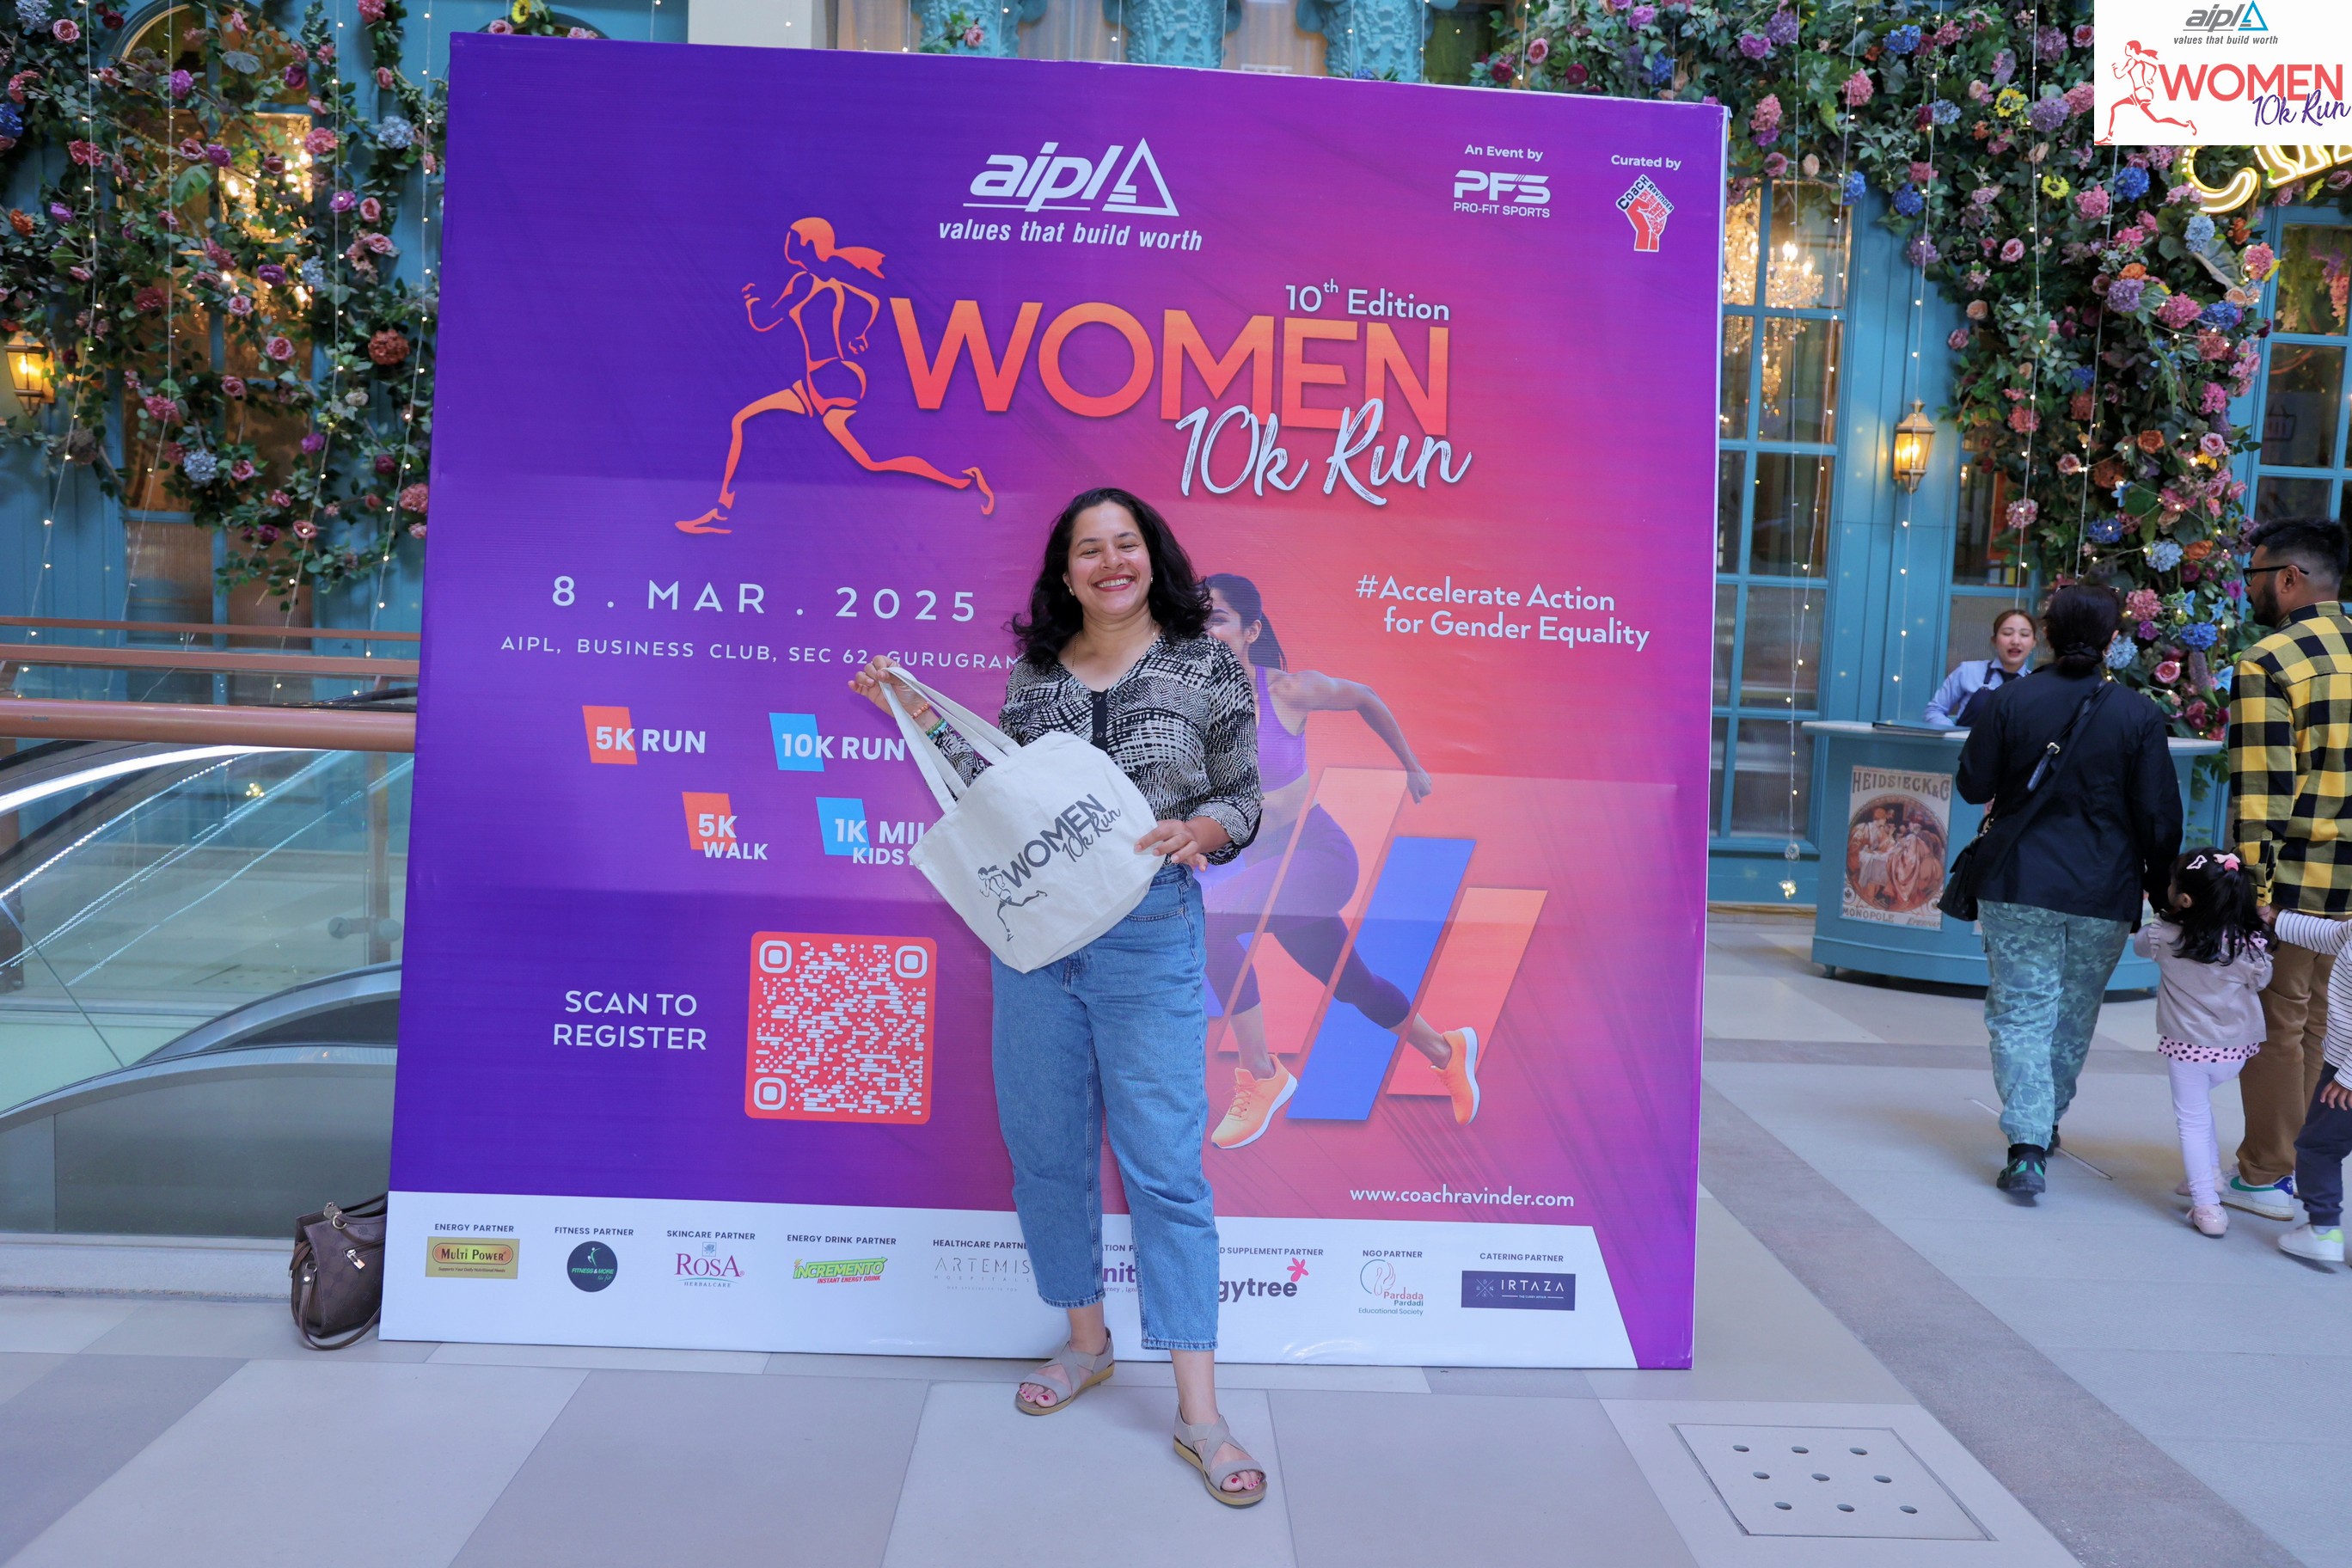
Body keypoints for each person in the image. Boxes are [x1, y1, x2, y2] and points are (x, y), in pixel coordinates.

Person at [849, 487, 1269, 1506]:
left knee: (1165, 1170)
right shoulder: (1034, 674)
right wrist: (914, 709)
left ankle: (1201, 1415)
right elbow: (997, 801)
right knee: (1046, 1153)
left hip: (1150, 935)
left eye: (1126, 543)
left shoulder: (1205, 662)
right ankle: (1086, 1343)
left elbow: (1243, 796)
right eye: (1089, 548)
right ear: (1066, 572)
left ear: (1152, 557)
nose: (1110, 561)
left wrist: (1202, 831)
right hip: (1036, 943)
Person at [1194, 573, 1478, 1149]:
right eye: (1194, 621)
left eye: (1216, 619)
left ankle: (1262, 1074)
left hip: (1317, 857)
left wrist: (1411, 765)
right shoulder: (1193, 712)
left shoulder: (1288, 691)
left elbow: (1365, 697)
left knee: (1212, 924)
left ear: (1251, 631)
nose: (1203, 631)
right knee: (1353, 983)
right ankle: (1446, 1051)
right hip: (1271, 869)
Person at [1957, 584, 2182, 1198]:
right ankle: (2044, 1121)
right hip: (2102, 887)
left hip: (2019, 879)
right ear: (2114, 640)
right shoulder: (2136, 713)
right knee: (2074, 1013)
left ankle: (2026, 1146)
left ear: (2047, 635)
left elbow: (1973, 785)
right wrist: (2160, 887)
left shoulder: (2012, 698)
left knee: (2021, 1011)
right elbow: (2159, 815)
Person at [2226, 517, 2352, 1222]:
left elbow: (2263, 792)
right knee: (2324, 1027)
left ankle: (2266, 1172)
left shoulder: (2269, 661)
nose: (2249, 588)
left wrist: (2257, 891)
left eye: (2254, 575)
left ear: (2289, 578)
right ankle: (2307, 1171)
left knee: (2278, 1025)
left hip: (2299, 886)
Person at [2132, 849, 2272, 1237]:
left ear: (2184, 899)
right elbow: (2261, 981)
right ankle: (2207, 1175)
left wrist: (2164, 919)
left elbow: (2140, 946)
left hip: (2187, 1047)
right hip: (2236, 1048)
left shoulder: (2163, 934)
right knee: (2200, 1110)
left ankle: (2207, 1205)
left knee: (2191, 1120)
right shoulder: (2249, 943)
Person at [2262, 905, 2352, 1267]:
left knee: (2319, 1147)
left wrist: (2348, 1077)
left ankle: (2323, 1231)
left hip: (2346, 1076)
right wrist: (2275, 919)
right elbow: (2331, 936)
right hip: (2343, 1065)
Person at [1924, 609, 2037, 727]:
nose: (2016, 641)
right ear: (1994, 641)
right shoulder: (1967, 671)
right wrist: (1955, 734)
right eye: (2007, 633)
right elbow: (1934, 710)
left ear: (2034, 643)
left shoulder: (2036, 685)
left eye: (2024, 635)